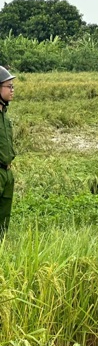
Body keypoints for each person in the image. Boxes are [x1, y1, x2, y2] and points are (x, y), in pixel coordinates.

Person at [0, 67, 17, 236]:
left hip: (7, 171)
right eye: (9, 86)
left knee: (4, 218)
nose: (12, 90)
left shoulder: (4, 115)